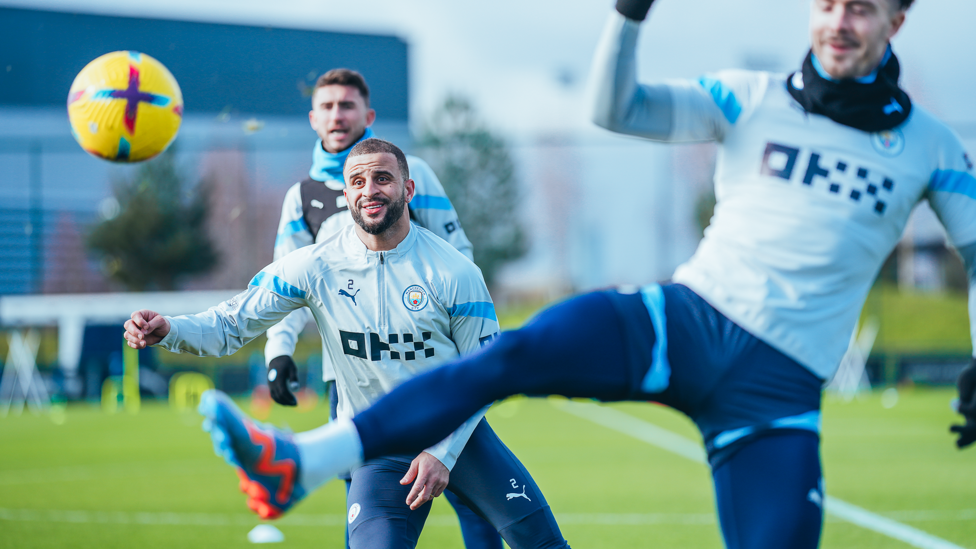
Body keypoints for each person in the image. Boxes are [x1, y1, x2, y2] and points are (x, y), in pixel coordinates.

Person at [191, 1, 976, 548]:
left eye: (862, 7)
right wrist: (627, 16)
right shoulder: (750, 96)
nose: (840, 19)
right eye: (828, 2)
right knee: (513, 355)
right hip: (683, 323)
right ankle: (301, 459)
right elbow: (617, 107)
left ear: (896, 21)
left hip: (779, 390)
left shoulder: (934, 148)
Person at [124, 138, 570, 549]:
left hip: (459, 439)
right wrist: (172, 329)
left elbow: (484, 377)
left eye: (382, 178)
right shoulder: (314, 266)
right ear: (346, 192)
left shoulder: (455, 273)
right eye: (357, 181)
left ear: (408, 189)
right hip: (379, 446)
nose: (369, 190)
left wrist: (440, 455)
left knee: (545, 544)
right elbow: (231, 324)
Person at [264, 69, 493, 549]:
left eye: (346, 105)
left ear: (367, 115)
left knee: (474, 495)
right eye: (326, 107)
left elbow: (458, 256)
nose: (337, 115)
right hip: (352, 375)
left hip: (434, 368)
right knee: (366, 498)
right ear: (313, 119)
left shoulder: (412, 174)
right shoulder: (300, 198)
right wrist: (279, 351)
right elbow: (283, 285)